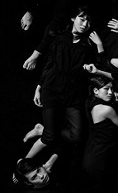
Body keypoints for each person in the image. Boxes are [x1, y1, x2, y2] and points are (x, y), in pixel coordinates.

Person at [23, 9, 106, 161]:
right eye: (82, 19)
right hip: (52, 88)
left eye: (88, 22)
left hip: (73, 93)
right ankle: (23, 164)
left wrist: (100, 45)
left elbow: (99, 69)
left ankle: (42, 129)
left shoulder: (89, 44)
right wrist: (38, 87)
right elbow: (49, 64)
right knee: (49, 136)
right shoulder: (59, 38)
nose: (85, 24)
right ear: (73, 18)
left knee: (76, 136)